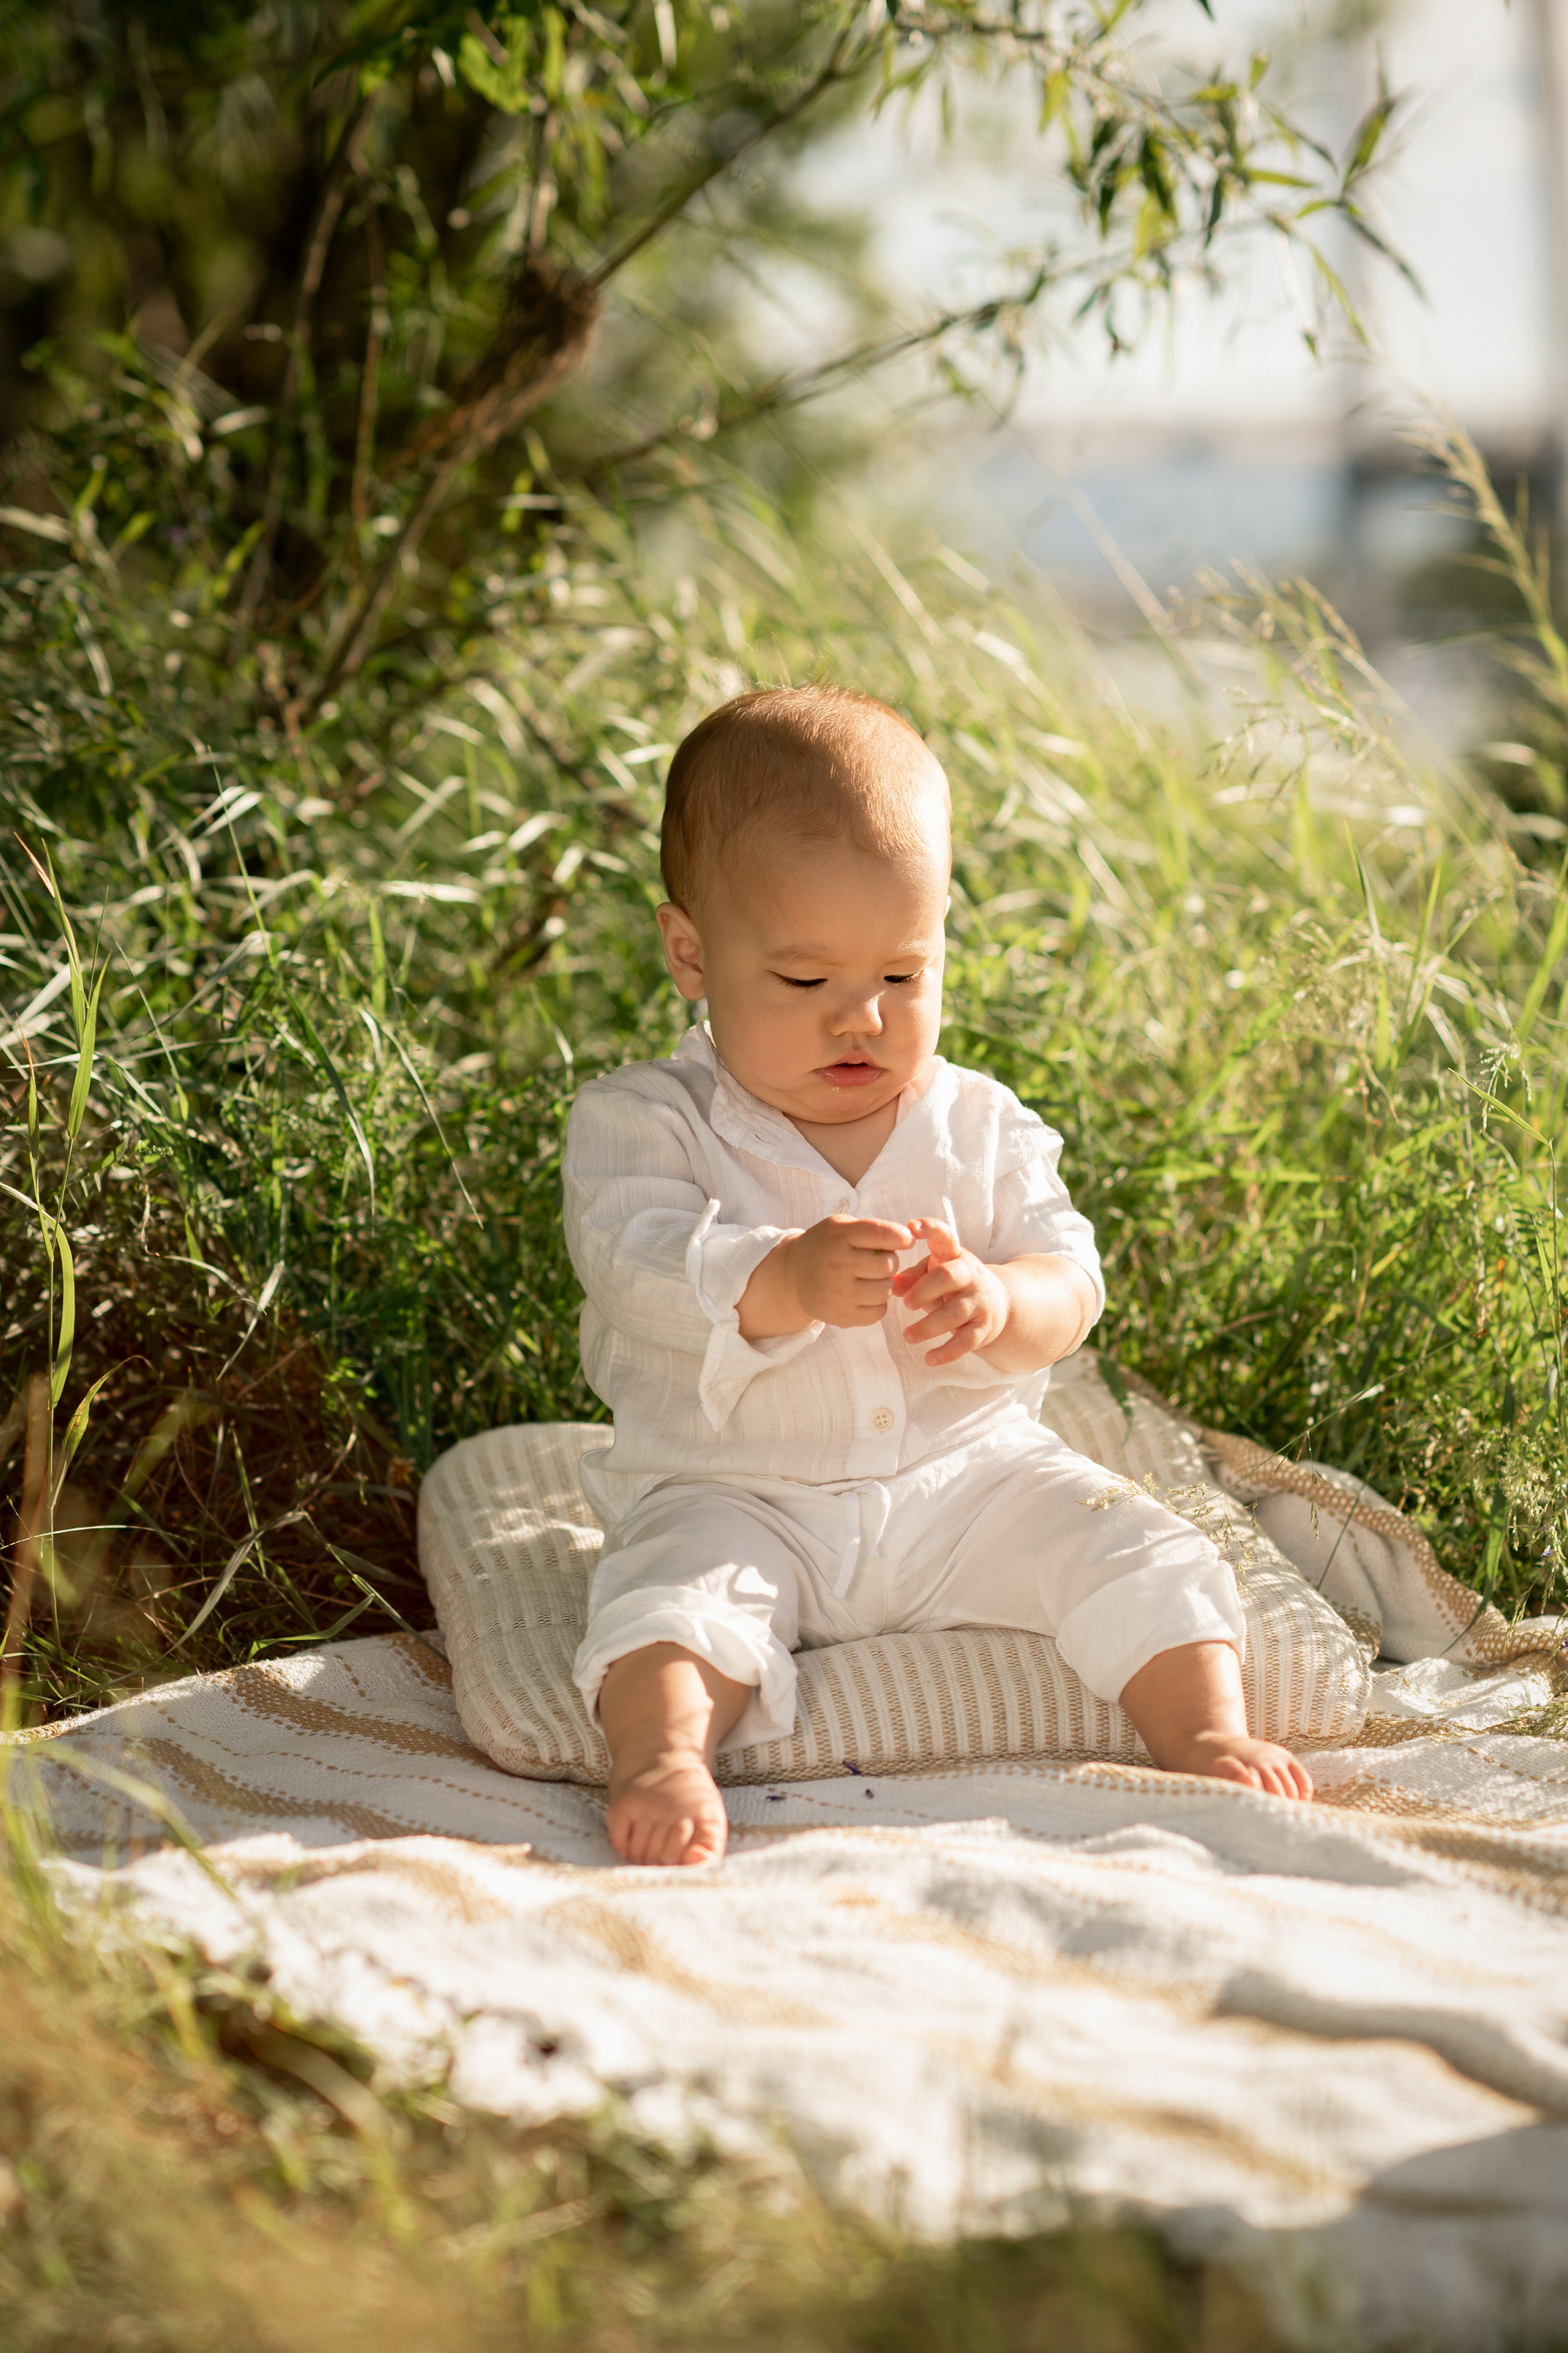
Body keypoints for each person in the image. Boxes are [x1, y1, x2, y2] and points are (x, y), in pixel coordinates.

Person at [562, 683, 1313, 1866]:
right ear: (691, 953)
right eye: (805, 984)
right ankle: (663, 1755)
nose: (860, 1018)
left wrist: (1007, 1303)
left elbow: (1072, 1274)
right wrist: (780, 1277)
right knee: (672, 1601)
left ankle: (1206, 1735)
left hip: (968, 1481)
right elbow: (634, 1260)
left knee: (1132, 1543)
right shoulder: (643, 1122)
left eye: (903, 976)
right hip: (740, 1489)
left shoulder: (980, 1121)